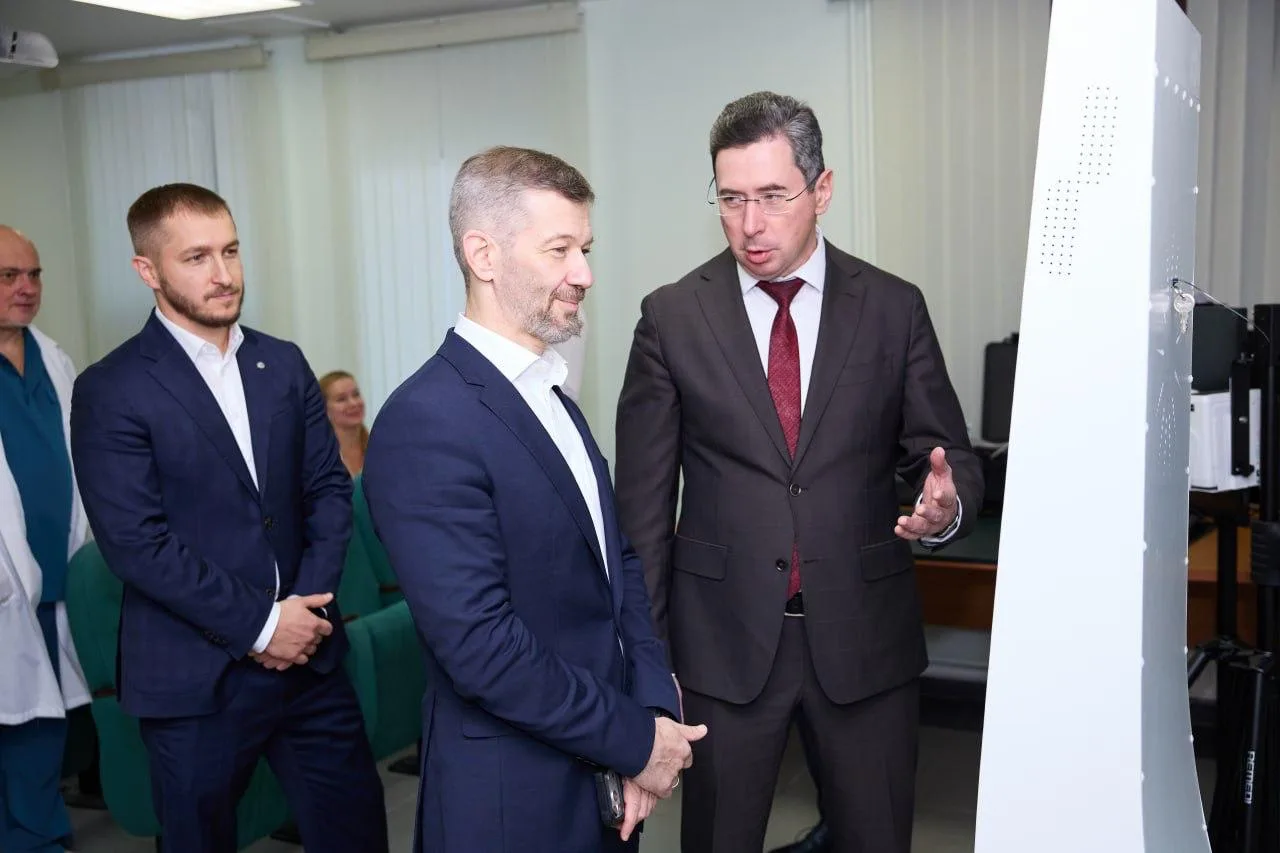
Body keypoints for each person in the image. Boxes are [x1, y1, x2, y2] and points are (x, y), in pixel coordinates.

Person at [614, 92, 984, 853]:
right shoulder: (672, 318)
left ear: (822, 189)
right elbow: (642, 515)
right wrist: (648, 666)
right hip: (720, 650)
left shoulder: (892, 307)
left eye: (773, 196)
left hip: (866, 640)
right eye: (731, 199)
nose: (751, 223)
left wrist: (944, 509)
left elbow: (950, 458)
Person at [362, 146, 704, 853]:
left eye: (585, 249)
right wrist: (636, 739)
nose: (584, 274)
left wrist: (652, 706)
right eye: (560, 250)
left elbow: (619, 563)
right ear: (483, 255)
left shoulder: (552, 396)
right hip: (511, 798)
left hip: (602, 778)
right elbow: (482, 648)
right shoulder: (426, 420)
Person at [68, 183, 388, 853]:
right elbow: (135, 543)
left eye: (231, 251)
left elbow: (329, 491)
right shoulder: (112, 387)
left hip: (309, 660)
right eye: (197, 257)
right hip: (194, 679)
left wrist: (303, 613)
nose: (223, 274)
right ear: (148, 270)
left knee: (356, 832)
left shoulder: (283, 362)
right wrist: (263, 625)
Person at [0, 226, 92, 853]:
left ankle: (39, 836)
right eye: (8, 276)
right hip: (7, 582)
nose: (26, 287)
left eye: (34, 275)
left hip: (56, 572)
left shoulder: (54, 359)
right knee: (18, 721)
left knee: (45, 723)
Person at [320, 370, 368, 476]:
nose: (354, 403)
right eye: (341, 399)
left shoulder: (380, 449)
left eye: (356, 395)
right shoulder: (319, 460)